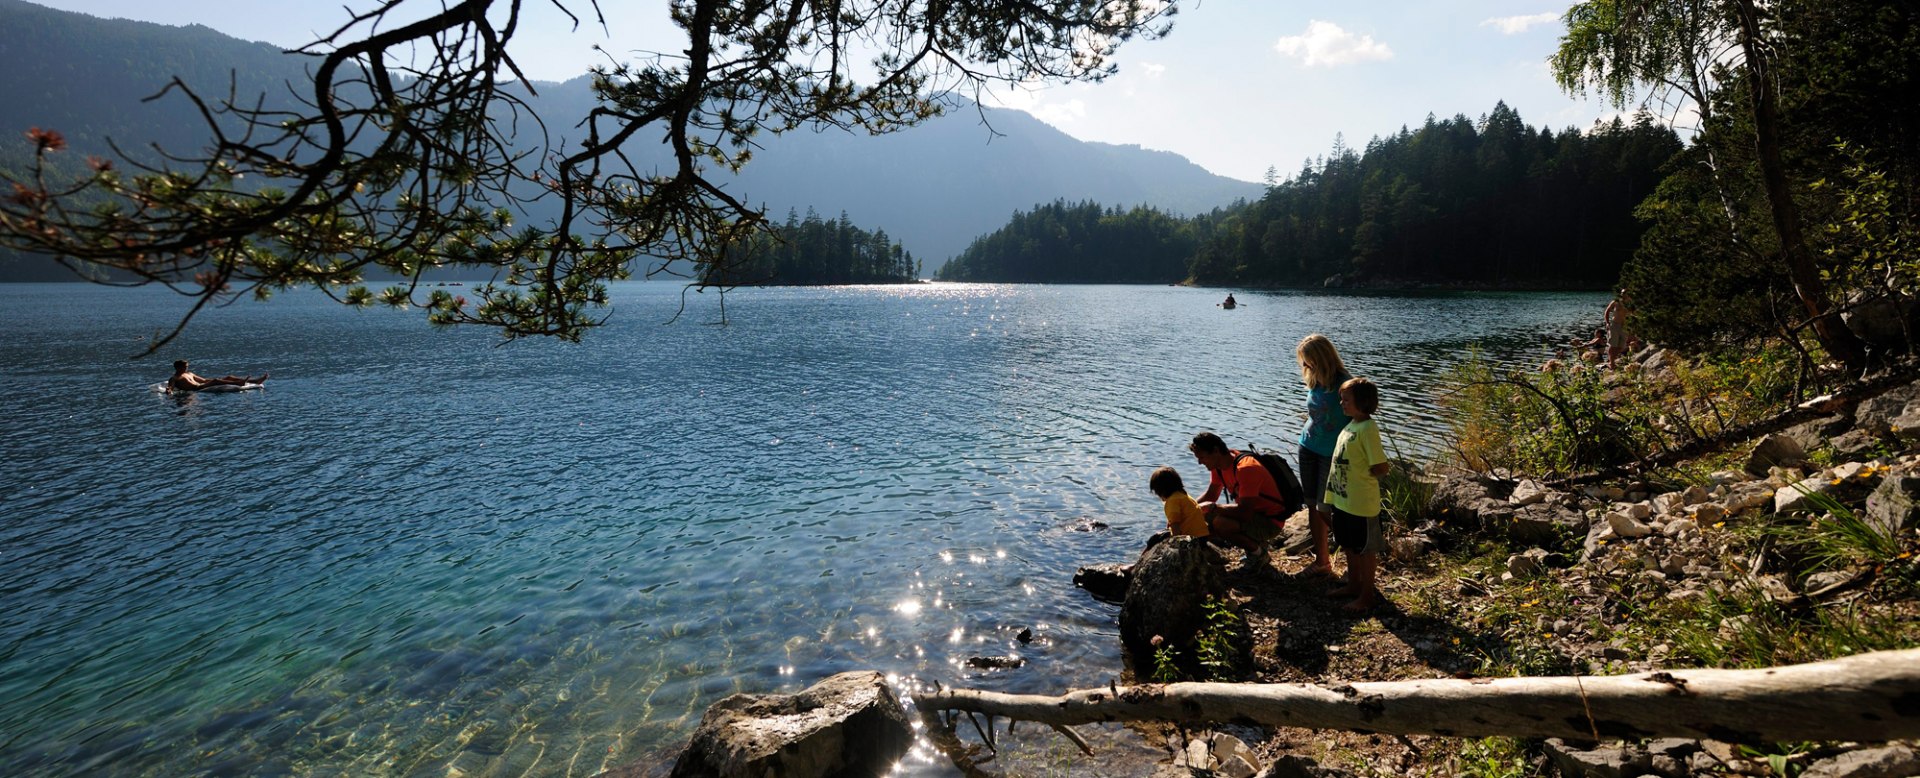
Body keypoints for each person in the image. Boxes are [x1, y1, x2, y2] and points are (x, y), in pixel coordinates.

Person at [1324, 378, 1390, 612]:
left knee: (1365, 549)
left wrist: (1366, 474)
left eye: (1346, 400)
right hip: (1344, 500)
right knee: (1349, 545)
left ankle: (1367, 596)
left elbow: (1380, 466)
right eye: (1342, 399)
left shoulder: (1368, 428)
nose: (1341, 403)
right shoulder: (1351, 425)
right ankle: (1353, 585)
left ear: (1362, 402)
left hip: (1361, 503)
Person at [1293, 334, 1351, 579]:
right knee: (1312, 506)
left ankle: (1354, 563)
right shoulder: (1315, 379)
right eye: (1304, 363)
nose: (1306, 367)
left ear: (1322, 358)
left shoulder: (1346, 384)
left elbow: (1359, 419)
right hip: (1307, 447)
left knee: (1330, 509)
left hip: (1331, 453)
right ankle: (1322, 562)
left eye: (1309, 362)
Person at [1188, 432, 1287, 561]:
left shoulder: (1246, 468)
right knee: (1200, 514)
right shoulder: (1218, 466)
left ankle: (1259, 555)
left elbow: (1244, 513)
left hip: (1270, 522)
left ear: (1216, 451)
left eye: (1202, 457)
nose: (1200, 462)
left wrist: (1213, 507)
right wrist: (1187, 511)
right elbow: (1211, 495)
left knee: (1220, 523)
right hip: (1253, 514)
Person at [1149, 466, 1209, 540]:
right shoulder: (1183, 495)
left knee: (1154, 540)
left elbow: (1175, 526)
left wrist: (1174, 541)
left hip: (1192, 538)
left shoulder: (1172, 501)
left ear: (1160, 490)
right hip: (1203, 535)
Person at [168, 360, 267, 392]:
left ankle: (256, 381)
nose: (186, 368)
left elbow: (204, 380)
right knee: (216, 380)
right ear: (177, 367)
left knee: (229, 377)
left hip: (202, 384)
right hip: (197, 388)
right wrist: (169, 391)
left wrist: (222, 380)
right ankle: (239, 383)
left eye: (187, 367)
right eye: (184, 367)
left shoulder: (189, 373)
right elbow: (170, 387)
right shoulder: (175, 378)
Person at [1604, 291, 1632, 368]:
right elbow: (1607, 311)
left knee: (1622, 346)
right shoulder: (1615, 302)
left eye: (1625, 293)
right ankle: (1612, 363)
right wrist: (1607, 322)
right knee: (1613, 345)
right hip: (1615, 325)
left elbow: (1635, 314)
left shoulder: (1631, 303)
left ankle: (1611, 359)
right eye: (1622, 293)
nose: (1624, 295)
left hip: (1625, 326)